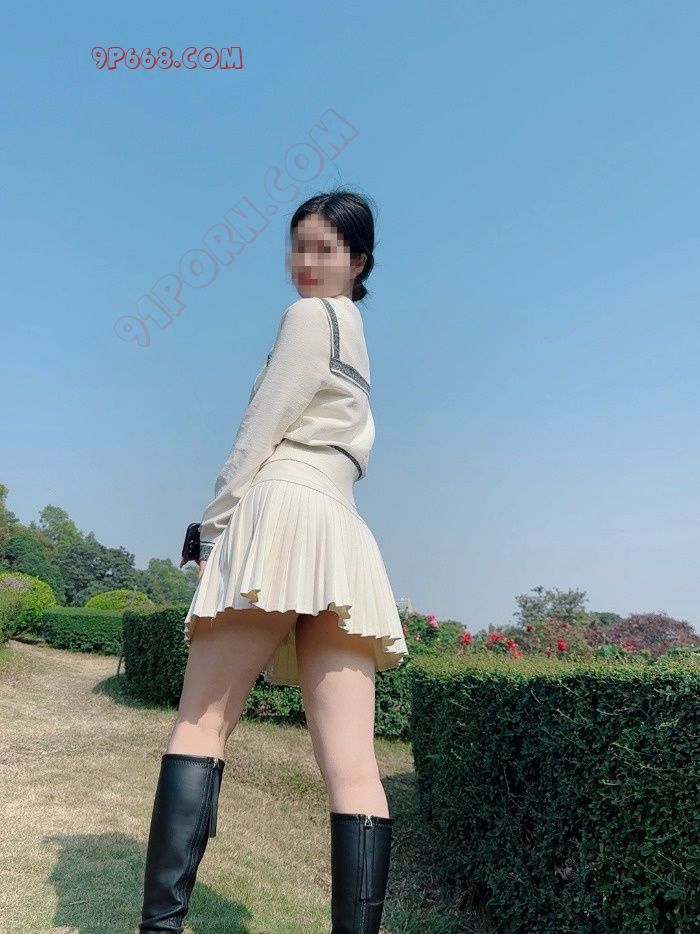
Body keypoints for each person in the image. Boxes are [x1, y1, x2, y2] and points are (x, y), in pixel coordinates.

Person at [138, 188, 409, 933]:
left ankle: (160, 928)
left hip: (284, 508)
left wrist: (212, 530)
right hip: (343, 531)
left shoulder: (308, 318)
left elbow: (260, 430)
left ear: (359, 261)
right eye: (298, 246)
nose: (305, 262)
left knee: (202, 722)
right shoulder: (357, 338)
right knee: (354, 766)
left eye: (325, 249)